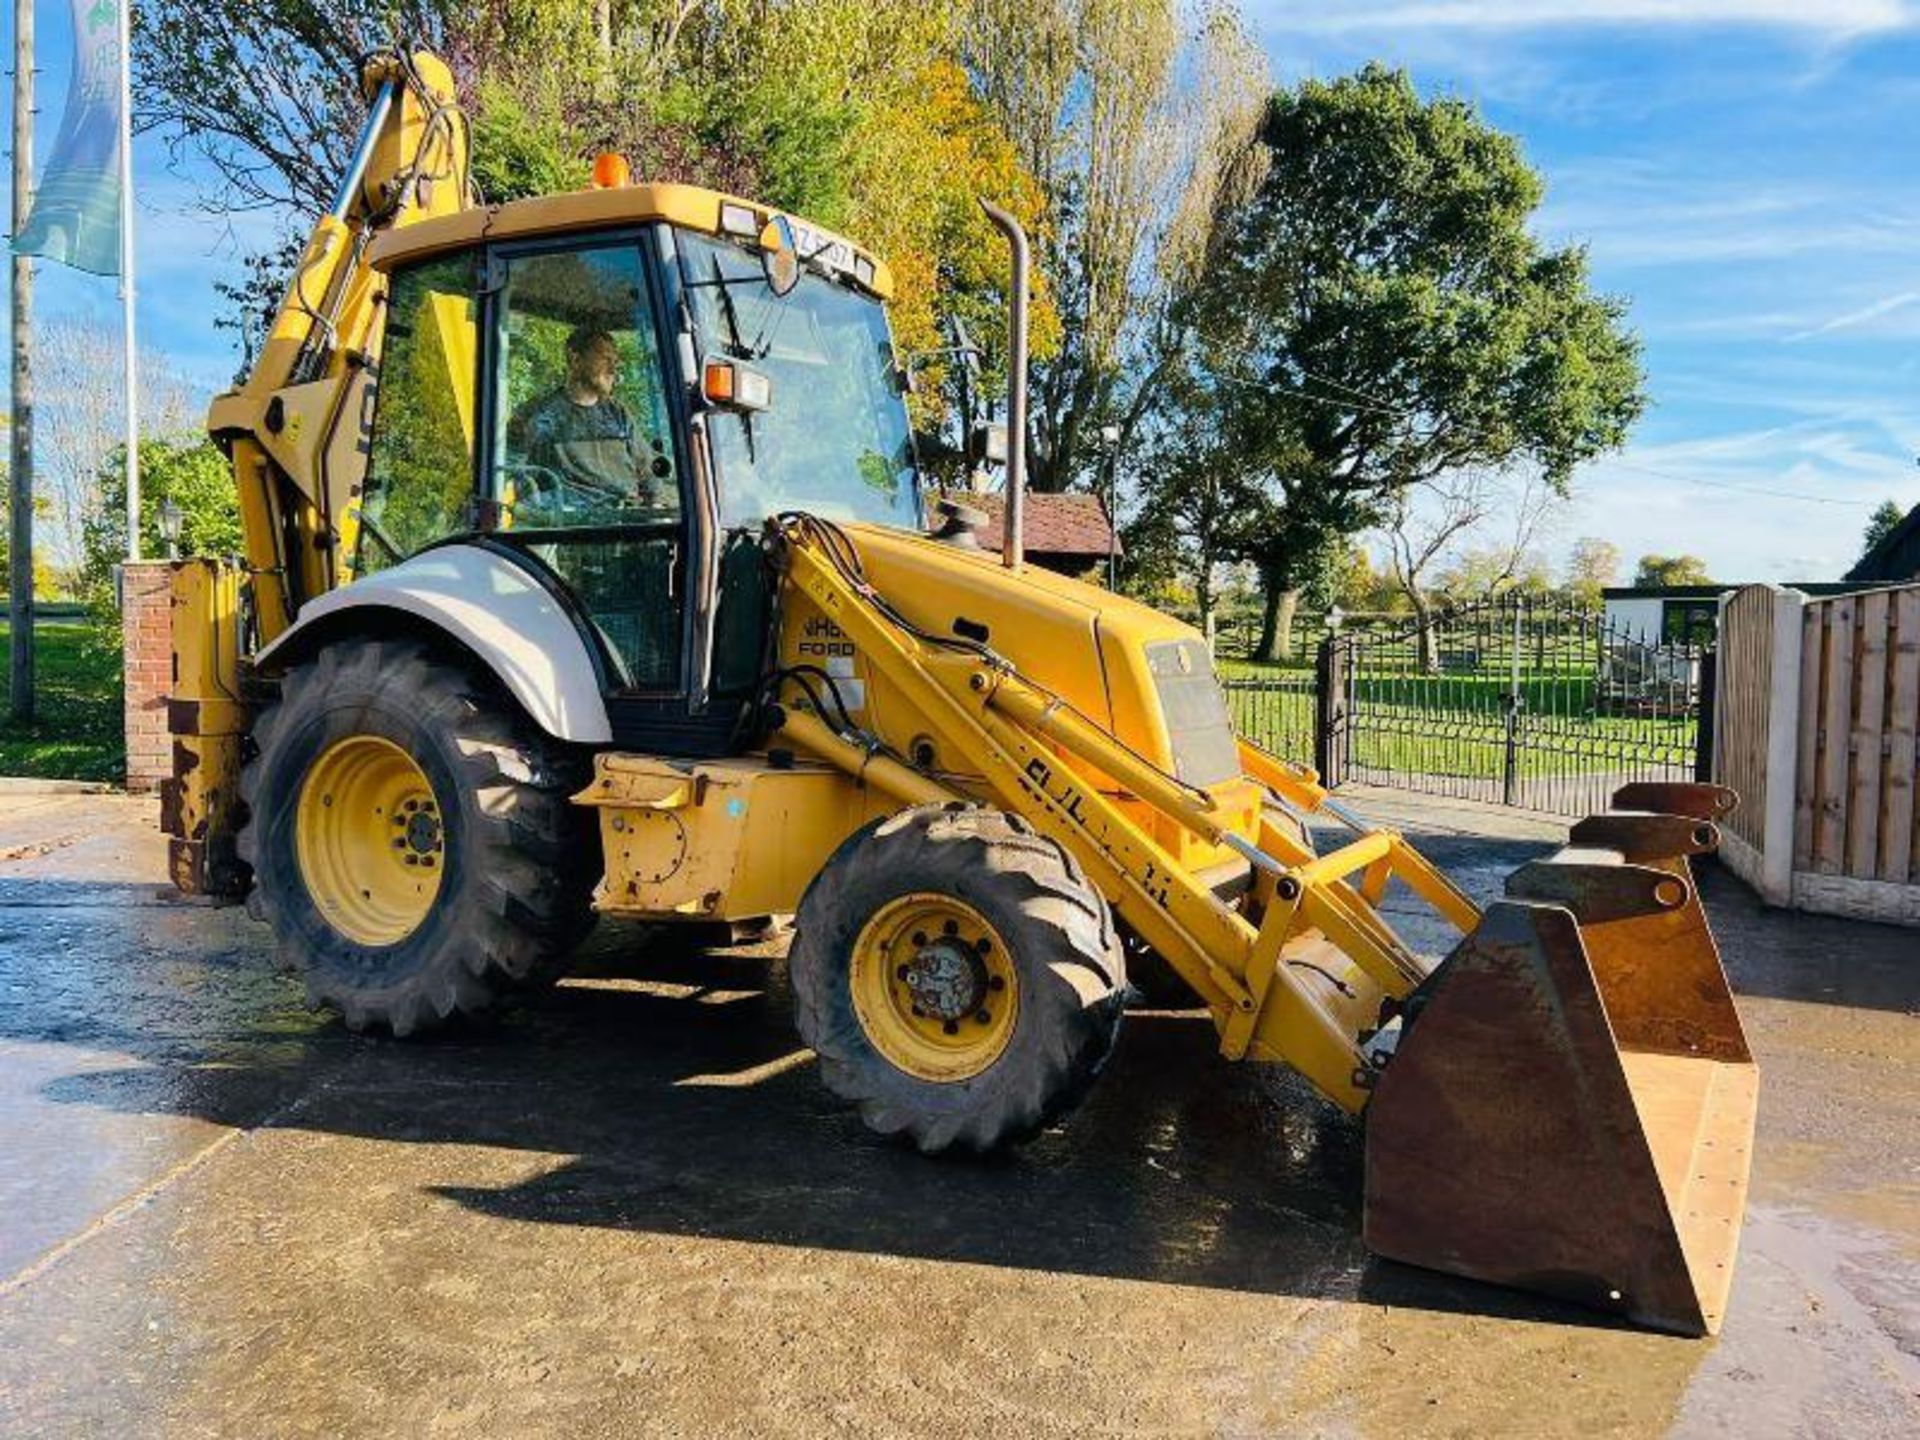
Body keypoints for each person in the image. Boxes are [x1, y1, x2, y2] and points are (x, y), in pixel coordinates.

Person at [506, 325, 658, 509]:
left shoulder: (618, 414)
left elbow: (649, 475)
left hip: (624, 521)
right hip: (573, 527)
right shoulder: (539, 416)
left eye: (615, 361)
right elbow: (507, 474)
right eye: (606, 359)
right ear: (575, 360)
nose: (613, 368)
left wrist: (653, 506)